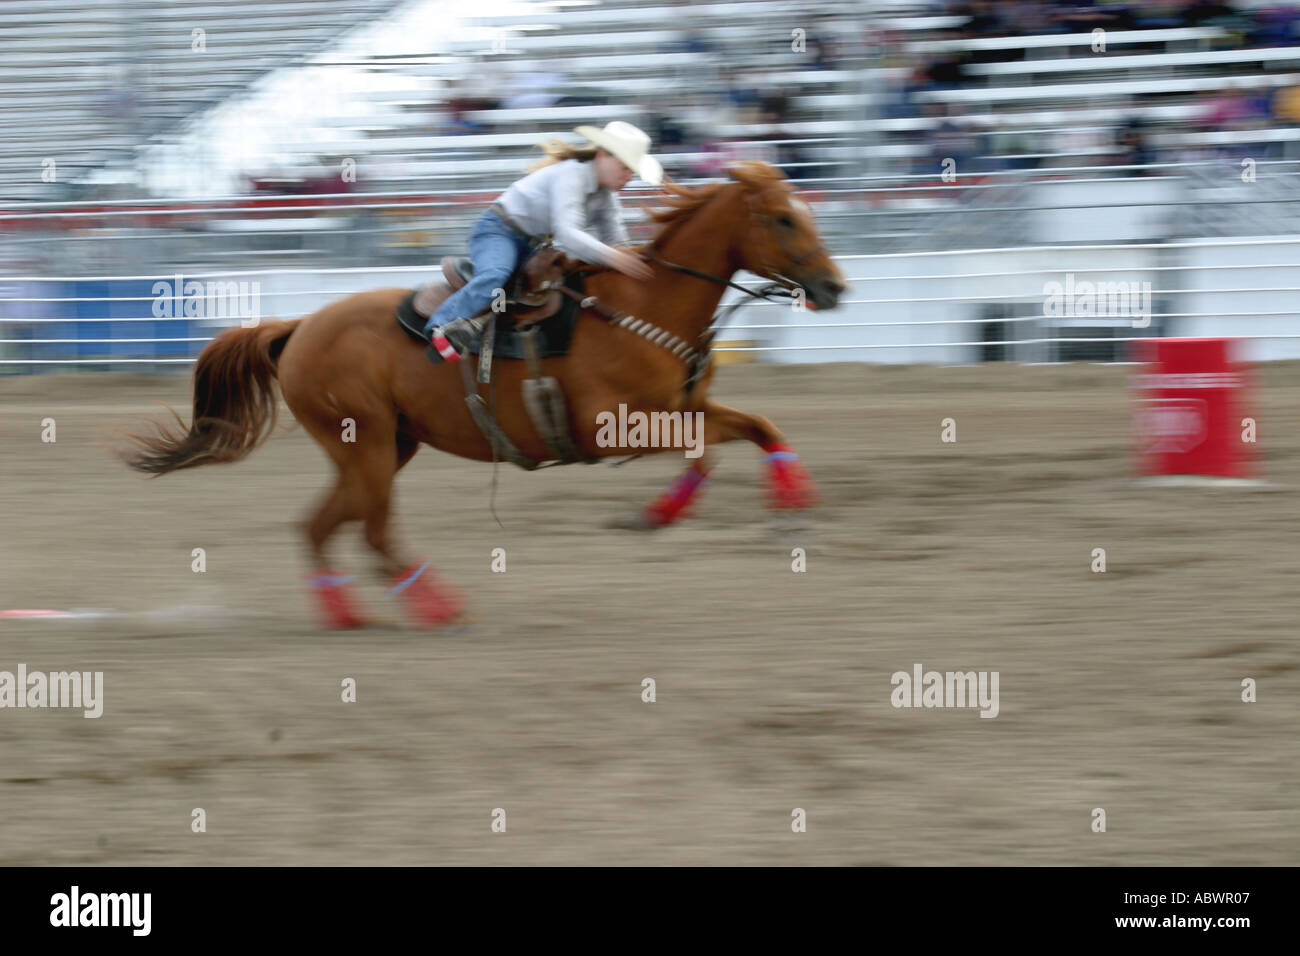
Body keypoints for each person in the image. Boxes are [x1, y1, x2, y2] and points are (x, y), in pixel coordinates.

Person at [423, 121, 660, 361]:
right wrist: (615, 256)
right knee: (495, 274)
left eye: (633, 171)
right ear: (602, 155)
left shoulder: (606, 197)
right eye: (625, 168)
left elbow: (616, 240)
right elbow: (567, 233)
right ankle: (439, 327)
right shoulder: (572, 173)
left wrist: (626, 257)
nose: (628, 177)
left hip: (532, 245)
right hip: (499, 231)